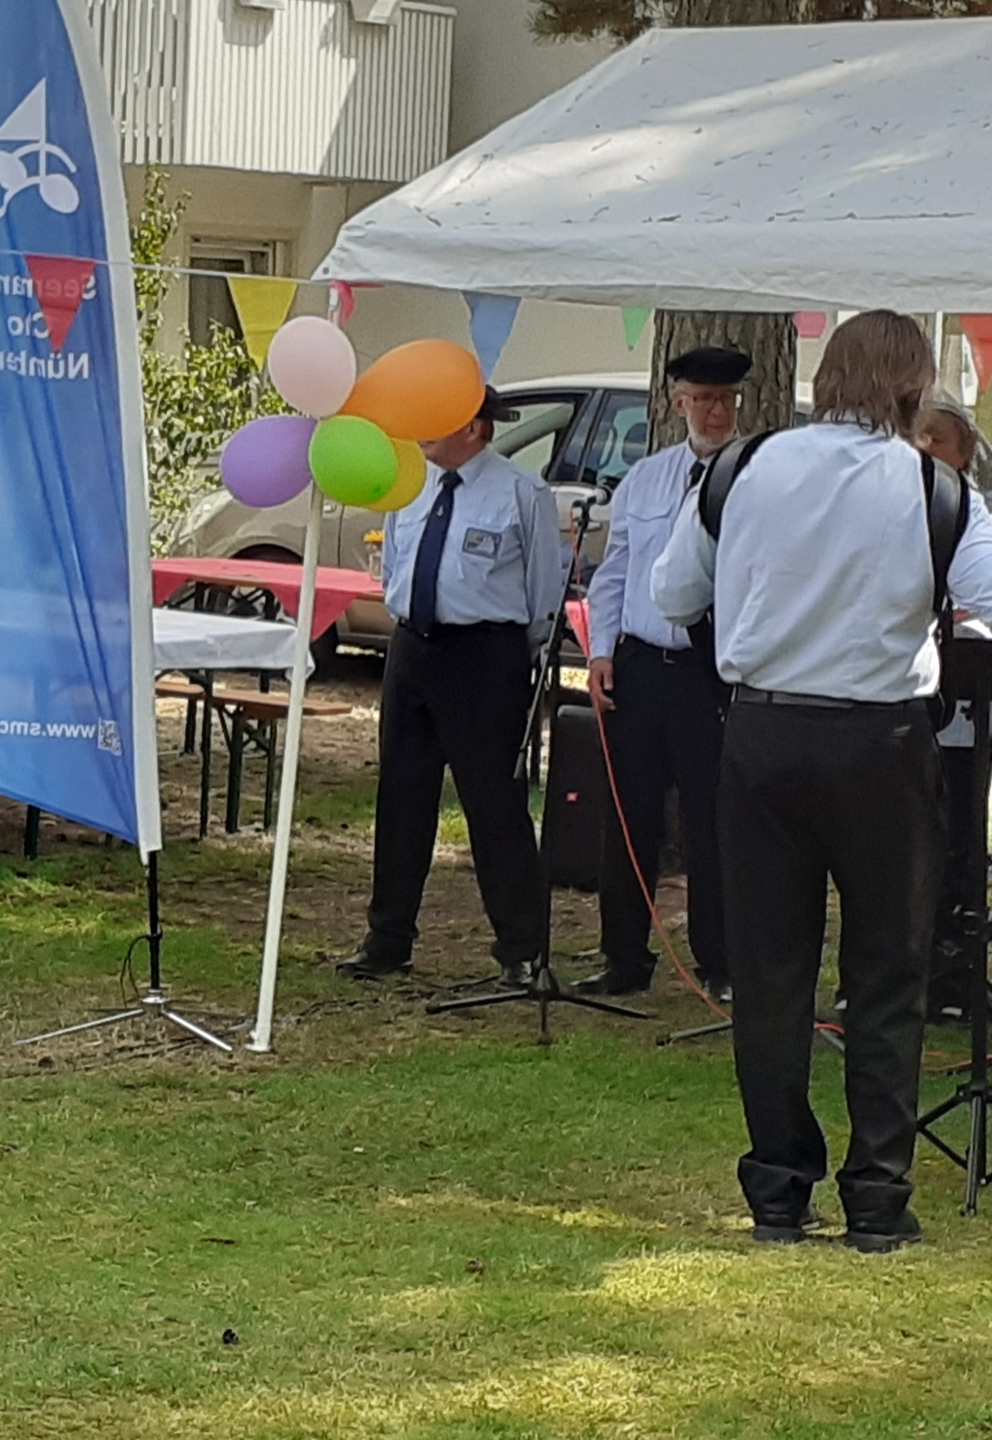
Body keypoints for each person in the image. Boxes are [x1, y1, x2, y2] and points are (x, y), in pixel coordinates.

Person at [653, 309, 992, 1254]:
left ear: (826, 377)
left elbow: (671, 596)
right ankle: (878, 1197)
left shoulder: (741, 469)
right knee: (888, 972)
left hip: (761, 735)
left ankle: (778, 1191)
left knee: (768, 972)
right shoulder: (937, 488)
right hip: (883, 744)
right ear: (911, 387)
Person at [339, 386, 570, 990]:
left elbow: (544, 586)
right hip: (414, 647)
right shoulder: (411, 485)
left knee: (494, 804)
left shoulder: (522, 493)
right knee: (402, 796)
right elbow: (394, 565)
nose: (424, 428)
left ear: (476, 428)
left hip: (484, 655)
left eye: (438, 417)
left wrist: (516, 655)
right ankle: (388, 939)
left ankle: (522, 947)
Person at [575, 347, 747, 1001]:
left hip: (711, 671)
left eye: (726, 398)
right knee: (628, 817)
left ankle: (720, 961)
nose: (715, 410)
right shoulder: (645, 479)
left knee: (712, 821)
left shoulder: (751, 477)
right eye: (703, 398)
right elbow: (614, 570)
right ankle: (623, 956)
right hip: (643, 665)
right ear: (677, 404)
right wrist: (601, 653)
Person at [916, 400, 990, 1022]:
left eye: (937, 439)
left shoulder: (970, 514)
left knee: (960, 832)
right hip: (900, 713)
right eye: (917, 436)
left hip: (965, 705)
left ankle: (955, 970)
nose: (925, 448)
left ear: (963, 453)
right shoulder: (893, 502)